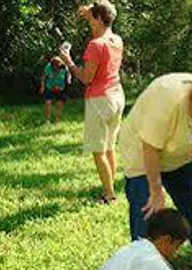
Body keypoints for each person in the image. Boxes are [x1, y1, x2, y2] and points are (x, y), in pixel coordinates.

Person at [118, 71, 192, 268]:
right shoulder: (168, 99)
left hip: (177, 154)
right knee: (148, 211)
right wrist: (156, 191)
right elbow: (150, 148)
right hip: (142, 153)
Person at [59, 0, 125, 205]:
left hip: (100, 100)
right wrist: (91, 13)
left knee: (98, 150)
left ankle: (109, 195)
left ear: (98, 18)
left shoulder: (96, 45)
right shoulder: (116, 39)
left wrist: (68, 61)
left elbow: (86, 78)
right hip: (117, 96)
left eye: (92, 17)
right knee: (109, 147)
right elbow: (100, 22)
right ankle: (110, 186)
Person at [40, 56, 71, 124]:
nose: (56, 69)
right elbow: (43, 77)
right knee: (48, 103)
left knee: (60, 104)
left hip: (60, 87)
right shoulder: (48, 67)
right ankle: (47, 120)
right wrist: (42, 87)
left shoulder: (64, 66)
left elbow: (68, 74)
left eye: (57, 68)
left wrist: (69, 79)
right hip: (49, 87)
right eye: (54, 68)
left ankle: (57, 121)